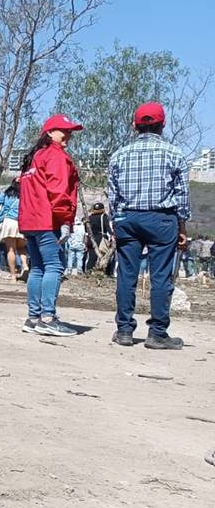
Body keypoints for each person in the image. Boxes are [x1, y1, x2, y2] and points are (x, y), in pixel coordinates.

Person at [108, 102, 191, 350]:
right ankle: (157, 333)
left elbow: (113, 195)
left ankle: (124, 330)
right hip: (161, 219)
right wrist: (182, 227)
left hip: (128, 219)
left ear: (135, 126)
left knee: (126, 275)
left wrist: (117, 221)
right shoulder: (174, 154)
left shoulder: (119, 155)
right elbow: (182, 196)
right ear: (162, 125)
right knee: (160, 276)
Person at [17, 114, 83, 337]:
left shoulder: (34, 158)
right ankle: (47, 318)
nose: (69, 135)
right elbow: (59, 190)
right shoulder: (56, 156)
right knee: (54, 266)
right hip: (48, 220)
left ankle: (33, 317)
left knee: (37, 268)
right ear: (49, 132)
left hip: (30, 221)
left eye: (70, 131)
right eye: (63, 130)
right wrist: (65, 220)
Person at [0, 181, 26, 280]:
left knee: (11, 249)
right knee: (22, 248)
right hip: (22, 223)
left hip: (9, 221)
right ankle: (25, 266)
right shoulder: (26, 195)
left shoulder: (7, 194)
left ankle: (13, 275)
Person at [87, 202, 115, 276]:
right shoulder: (103, 216)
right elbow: (107, 227)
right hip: (101, 238)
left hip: (91, 238)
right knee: (105, 256)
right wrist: (112, 234)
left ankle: (88, 272)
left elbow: (87, 229)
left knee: (91, 257)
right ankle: (107, 273)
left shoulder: (90, 217)